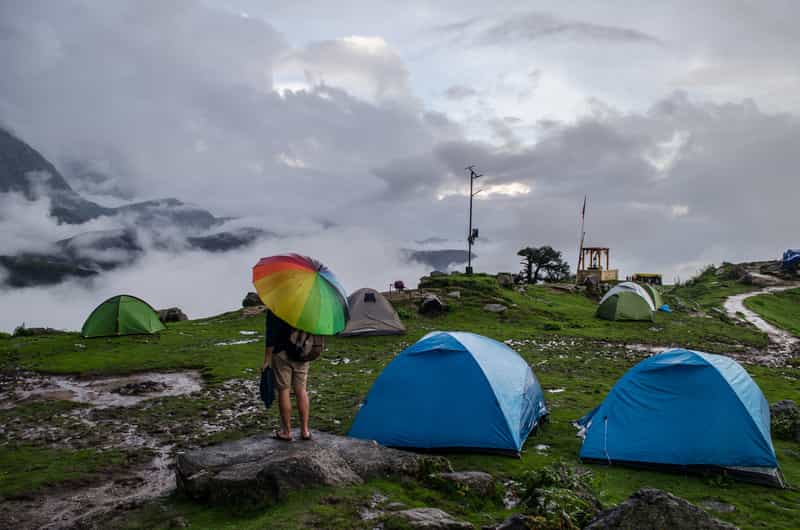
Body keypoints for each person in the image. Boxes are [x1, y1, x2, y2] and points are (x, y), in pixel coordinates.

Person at [262, 309, 319, 441]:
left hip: (281, 353)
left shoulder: (276, 305)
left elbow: (271, 335)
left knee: (283, 390)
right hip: (302, 352)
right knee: (301, 390)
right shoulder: (306, 305)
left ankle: (287, 432)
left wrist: (267, 359)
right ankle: (305, 431)